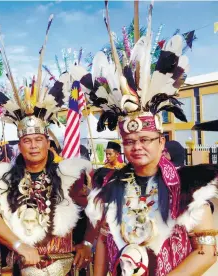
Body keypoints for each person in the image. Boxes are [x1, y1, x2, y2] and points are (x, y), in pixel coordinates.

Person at [81, 3, 218, 275]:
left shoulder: (188, 185)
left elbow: (206, 252)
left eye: (145, 139)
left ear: (161, 142)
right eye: (130, 141)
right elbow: (104, 243)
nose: (137, 146)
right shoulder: (110, 184)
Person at [0, 58, 93, 275]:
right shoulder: (4, 179)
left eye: (38, 140)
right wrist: (19, 245)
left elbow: (94, 211)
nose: (33, 146)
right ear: (20, 145)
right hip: (23, 267)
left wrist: (87, 243)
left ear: (47, 143)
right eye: (27, 141)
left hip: (64, 266)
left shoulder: (69, 176)